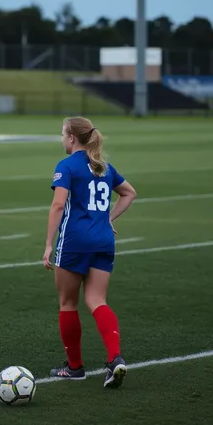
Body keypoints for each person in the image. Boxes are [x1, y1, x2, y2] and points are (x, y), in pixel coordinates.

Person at [43, 117, 136, 388]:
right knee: (97, 300)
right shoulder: (103, 166)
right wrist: (107, 219)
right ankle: (115, 358)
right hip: (103, 241)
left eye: (62, 134)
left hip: (74, 241)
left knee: (68, 304)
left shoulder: (66, 166)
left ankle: (74, 368)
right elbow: (129, 193)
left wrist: (49, 244)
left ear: (72, 138)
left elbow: (58, 206)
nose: (62, 139)